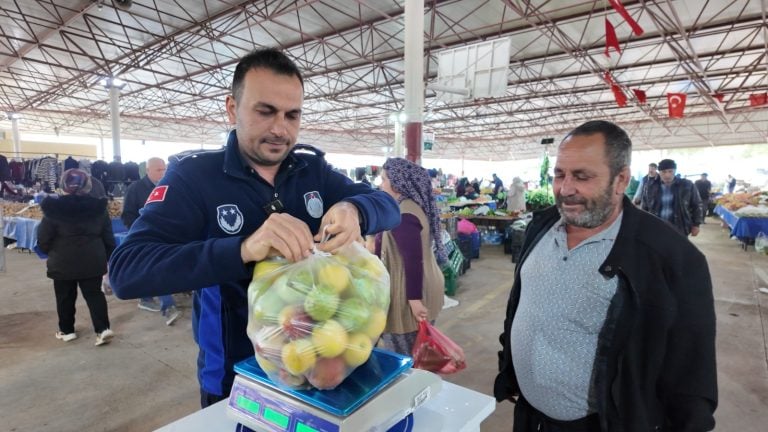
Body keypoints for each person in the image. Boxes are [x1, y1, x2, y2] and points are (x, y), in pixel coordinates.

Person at [108, 48, 400, 408]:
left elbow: (388, 207)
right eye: (265, 111)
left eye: (292, 115)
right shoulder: (194, 177)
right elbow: (127, 271)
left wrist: (355, 209)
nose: (281, 129)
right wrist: (243, 248)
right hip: (237, 378)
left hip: (327, 368)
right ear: (232, 108)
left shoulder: (313, 172)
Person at [494, 120, 717, 431]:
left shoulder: (671, 257)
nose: (565, 189)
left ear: (621, 180)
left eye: (582, 176)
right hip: (530, 417)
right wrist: (510, 367)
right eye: (559, 175)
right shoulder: (541, 226)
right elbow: (521, 305)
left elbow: (692, 376)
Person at [375, 157, 446, 356]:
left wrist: (414, 300)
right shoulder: (407, 206)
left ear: (398, 184)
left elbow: (412, 259)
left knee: (406, 356)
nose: (381, 185)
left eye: (384, 180)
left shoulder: (404, 214)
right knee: (418, 351)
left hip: (411, 292)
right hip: (421, 285)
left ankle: (414, 384)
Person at [37, 169, 116, 346]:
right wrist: (108, 257)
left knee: (64, 296)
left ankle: (67, 331)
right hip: (92, 259)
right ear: (88, 185)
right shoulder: (99, 208)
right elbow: (108, 237)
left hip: (62, 261)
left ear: (63, 185)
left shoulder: (53, 209)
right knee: (95, 295)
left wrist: (50, 252)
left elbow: (43, 238)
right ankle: (102, 329)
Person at [121, 157, 181, 324]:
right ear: (147, 170)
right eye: (158, 170)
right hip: (146, 236)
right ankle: (168, 307)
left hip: (167, 234)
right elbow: (127, 214)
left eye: (164, 169)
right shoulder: (135, 189)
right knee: (159, 268)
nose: (162, 173)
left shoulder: (170, 186)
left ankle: (146, 298)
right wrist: (140, 231)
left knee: (154, 268)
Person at [641, 159, 703, 236]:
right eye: (664, 172)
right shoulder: (650, 186)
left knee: (679, 247)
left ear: (675, 171)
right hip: (656, 227)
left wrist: (696, 225)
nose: (667, 175)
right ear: (659, 172)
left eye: (670, 171)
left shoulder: (687, 185)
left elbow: (697, 204)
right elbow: (644, 207)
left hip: (679, 227)